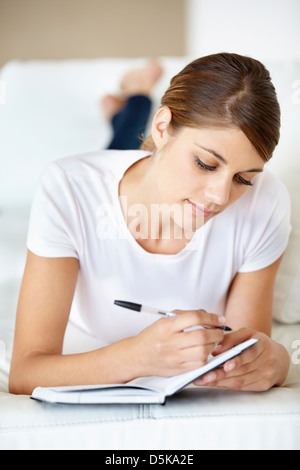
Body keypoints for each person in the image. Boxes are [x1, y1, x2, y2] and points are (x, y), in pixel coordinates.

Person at [9, 53, 291, 395]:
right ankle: (136, 93)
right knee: (121, 145)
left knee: (131, 145)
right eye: (205, 164)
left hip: (153, 163)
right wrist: (135, 358)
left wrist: (276, 361)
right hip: (129, 169)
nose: (219, 196)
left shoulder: (265, 201)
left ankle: (121, 110)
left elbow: (241, 356)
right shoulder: (70, 187)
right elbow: (25, 373)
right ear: (162, 128)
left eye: (243, 179)